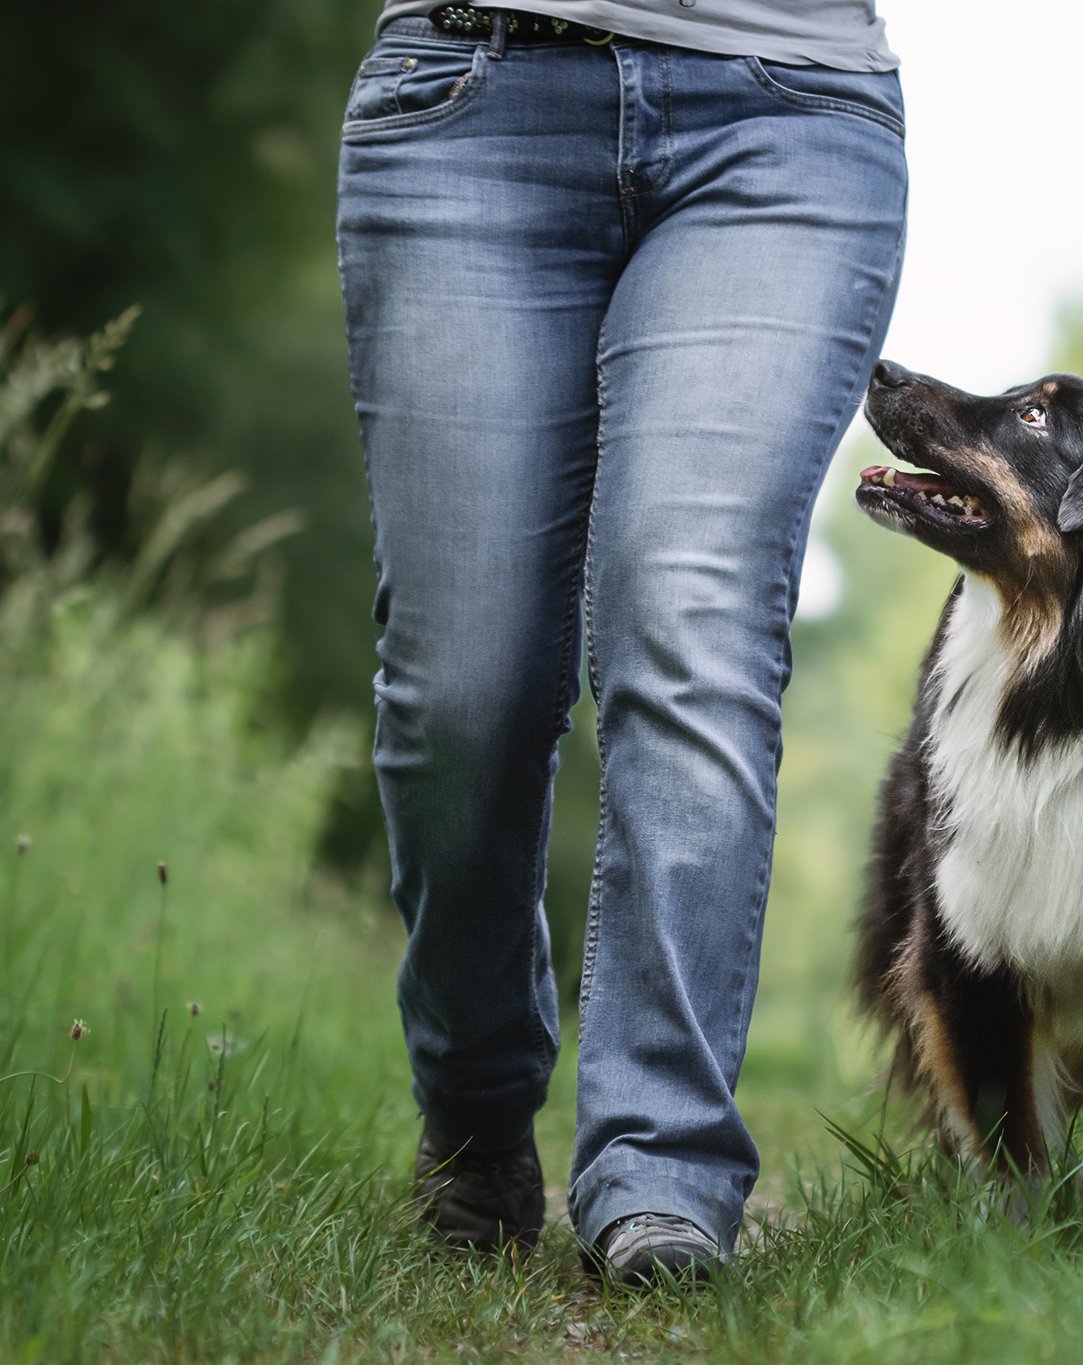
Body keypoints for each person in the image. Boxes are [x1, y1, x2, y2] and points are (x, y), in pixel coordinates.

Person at [334, 0, 907, 1283]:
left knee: (690, 621)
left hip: (784, 109)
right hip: (466, 96)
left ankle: (661, 1167)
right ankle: (476, 1107)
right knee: (464, 688)